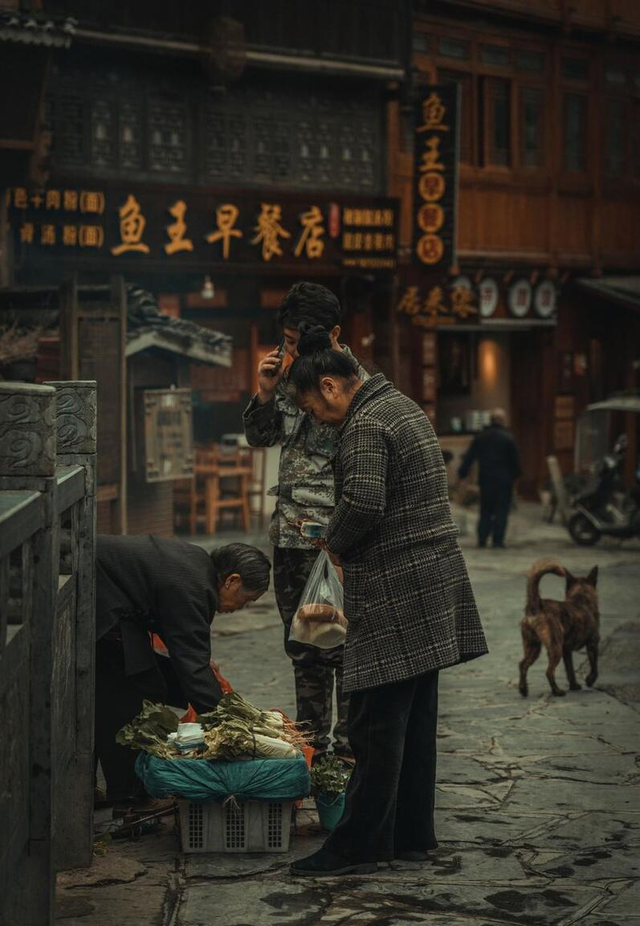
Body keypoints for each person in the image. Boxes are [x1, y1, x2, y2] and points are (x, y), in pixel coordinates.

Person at [286, 328, 488, 876]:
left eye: (313, 406)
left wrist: (332, 541)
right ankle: (411, 836)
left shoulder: (365, 423)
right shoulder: (402, 407)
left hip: (397, 585)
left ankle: (358, 846)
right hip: (431, 580)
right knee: (416, 721)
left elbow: (364, 500)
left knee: (374, 725)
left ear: (330, 386)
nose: (319, 419)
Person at [243, 282, 366, 765]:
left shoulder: (354, 381)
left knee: (347, 647)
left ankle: (351, 754)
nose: (291, 349)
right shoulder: (287, 372)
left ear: (334, 333)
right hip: (293, 537)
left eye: (300, 340)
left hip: (341, 538)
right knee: (304, 648)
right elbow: (260, 437)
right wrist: (266, 391)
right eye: (288, 339)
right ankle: (312, 757)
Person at [95, 536, 271, 807]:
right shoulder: (194, 586)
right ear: (232, 580)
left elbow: (185, 640)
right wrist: (227, 724)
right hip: (103, 602)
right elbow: (193, 669)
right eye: (245, 600)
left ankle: (123, 787)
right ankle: (126, 797)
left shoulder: (197, 568)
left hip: (117, 605)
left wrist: (199, 660)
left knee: (152, 683)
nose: (240, 608)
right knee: (129, 694)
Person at [457, 408, 521, 548]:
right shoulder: (508, 438)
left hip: (486, 479)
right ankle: (497, 540)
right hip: (504, 480)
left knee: (485, 509)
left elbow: (470, 456)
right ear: (503, 421)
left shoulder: (481, 437)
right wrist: (516, 476)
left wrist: (462, 473)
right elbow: (515, 460)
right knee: (501, 510)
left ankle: (482, 538)